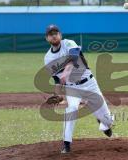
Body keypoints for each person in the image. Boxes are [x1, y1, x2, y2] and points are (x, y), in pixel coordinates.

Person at [43, 24, 114, 154]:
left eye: (56, 33)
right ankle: (66, 144)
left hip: (90, 84)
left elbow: (74, 57)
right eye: (50, 34)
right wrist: (59, 95)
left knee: (108, 120)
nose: (54, 35)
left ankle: (103, 122)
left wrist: (66, 71)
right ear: (47, 38)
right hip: (72, 89)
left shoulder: (69, 43)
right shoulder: (48, 58)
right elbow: (57, 80)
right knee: (72, 109)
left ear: (60, 35)